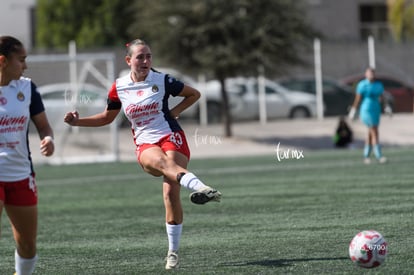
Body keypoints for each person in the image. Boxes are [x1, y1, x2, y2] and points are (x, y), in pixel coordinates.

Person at [63, 38, 221, 270]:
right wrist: (78, 122)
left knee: (170, 192)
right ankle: (200, 186)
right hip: (145, 142)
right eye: (140, 57)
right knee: (160, 162)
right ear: (129, 60)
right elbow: (107, 117)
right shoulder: (119, 87)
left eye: (148, 56)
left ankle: (173, 252)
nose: (146, 61)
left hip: (171, 136)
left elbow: (194, 94)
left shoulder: (163, 80)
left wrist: (174, 112)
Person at [0, 36, 55, 275]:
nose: (25, 66)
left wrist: (48, 138)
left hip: (21, 176)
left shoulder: (27, 88)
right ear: (3, 60)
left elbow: (44, 126)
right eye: (21, 60)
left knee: (27, 245)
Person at [348, 67, 387, 163]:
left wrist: (386, 107)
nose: (371, 75)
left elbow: (382, 98)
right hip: (366, 109)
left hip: (376, 109)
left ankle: (366, 156)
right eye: (369, 73)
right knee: (374, 130)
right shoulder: (362, 85)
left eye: (372, 73)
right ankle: (379, 155)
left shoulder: (378, 85)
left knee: (371, 132)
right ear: (366, 74)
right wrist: (354, 110)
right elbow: (358, 99)